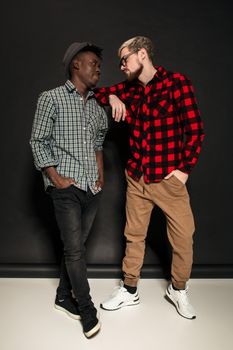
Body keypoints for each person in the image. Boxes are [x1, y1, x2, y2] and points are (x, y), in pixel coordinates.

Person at [95, 36, 205, 319]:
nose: (121, 66)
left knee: (183, 237)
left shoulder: (177, 83)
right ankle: (129, 290)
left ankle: (178, 289)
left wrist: (183, 171)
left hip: (168, 179)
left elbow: (195, 130)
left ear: (142, 54)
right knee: (133, 236)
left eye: (124, 59)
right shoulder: (129, 89)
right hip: (136, 177)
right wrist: (112, 96)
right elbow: (96, 93)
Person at [30, 42, 108, 338]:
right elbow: (38, 141)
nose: (98, 68)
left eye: (100, 64)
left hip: (92, 188)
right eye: (93, 63)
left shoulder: (98, 106)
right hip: (66, 188)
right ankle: (86, 310)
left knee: (75, 248)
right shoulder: (51, 98)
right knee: (75, 250)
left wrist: (101, 176)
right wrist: (56, 177)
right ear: (76, 64)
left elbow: (99, 143)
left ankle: (63, 296)